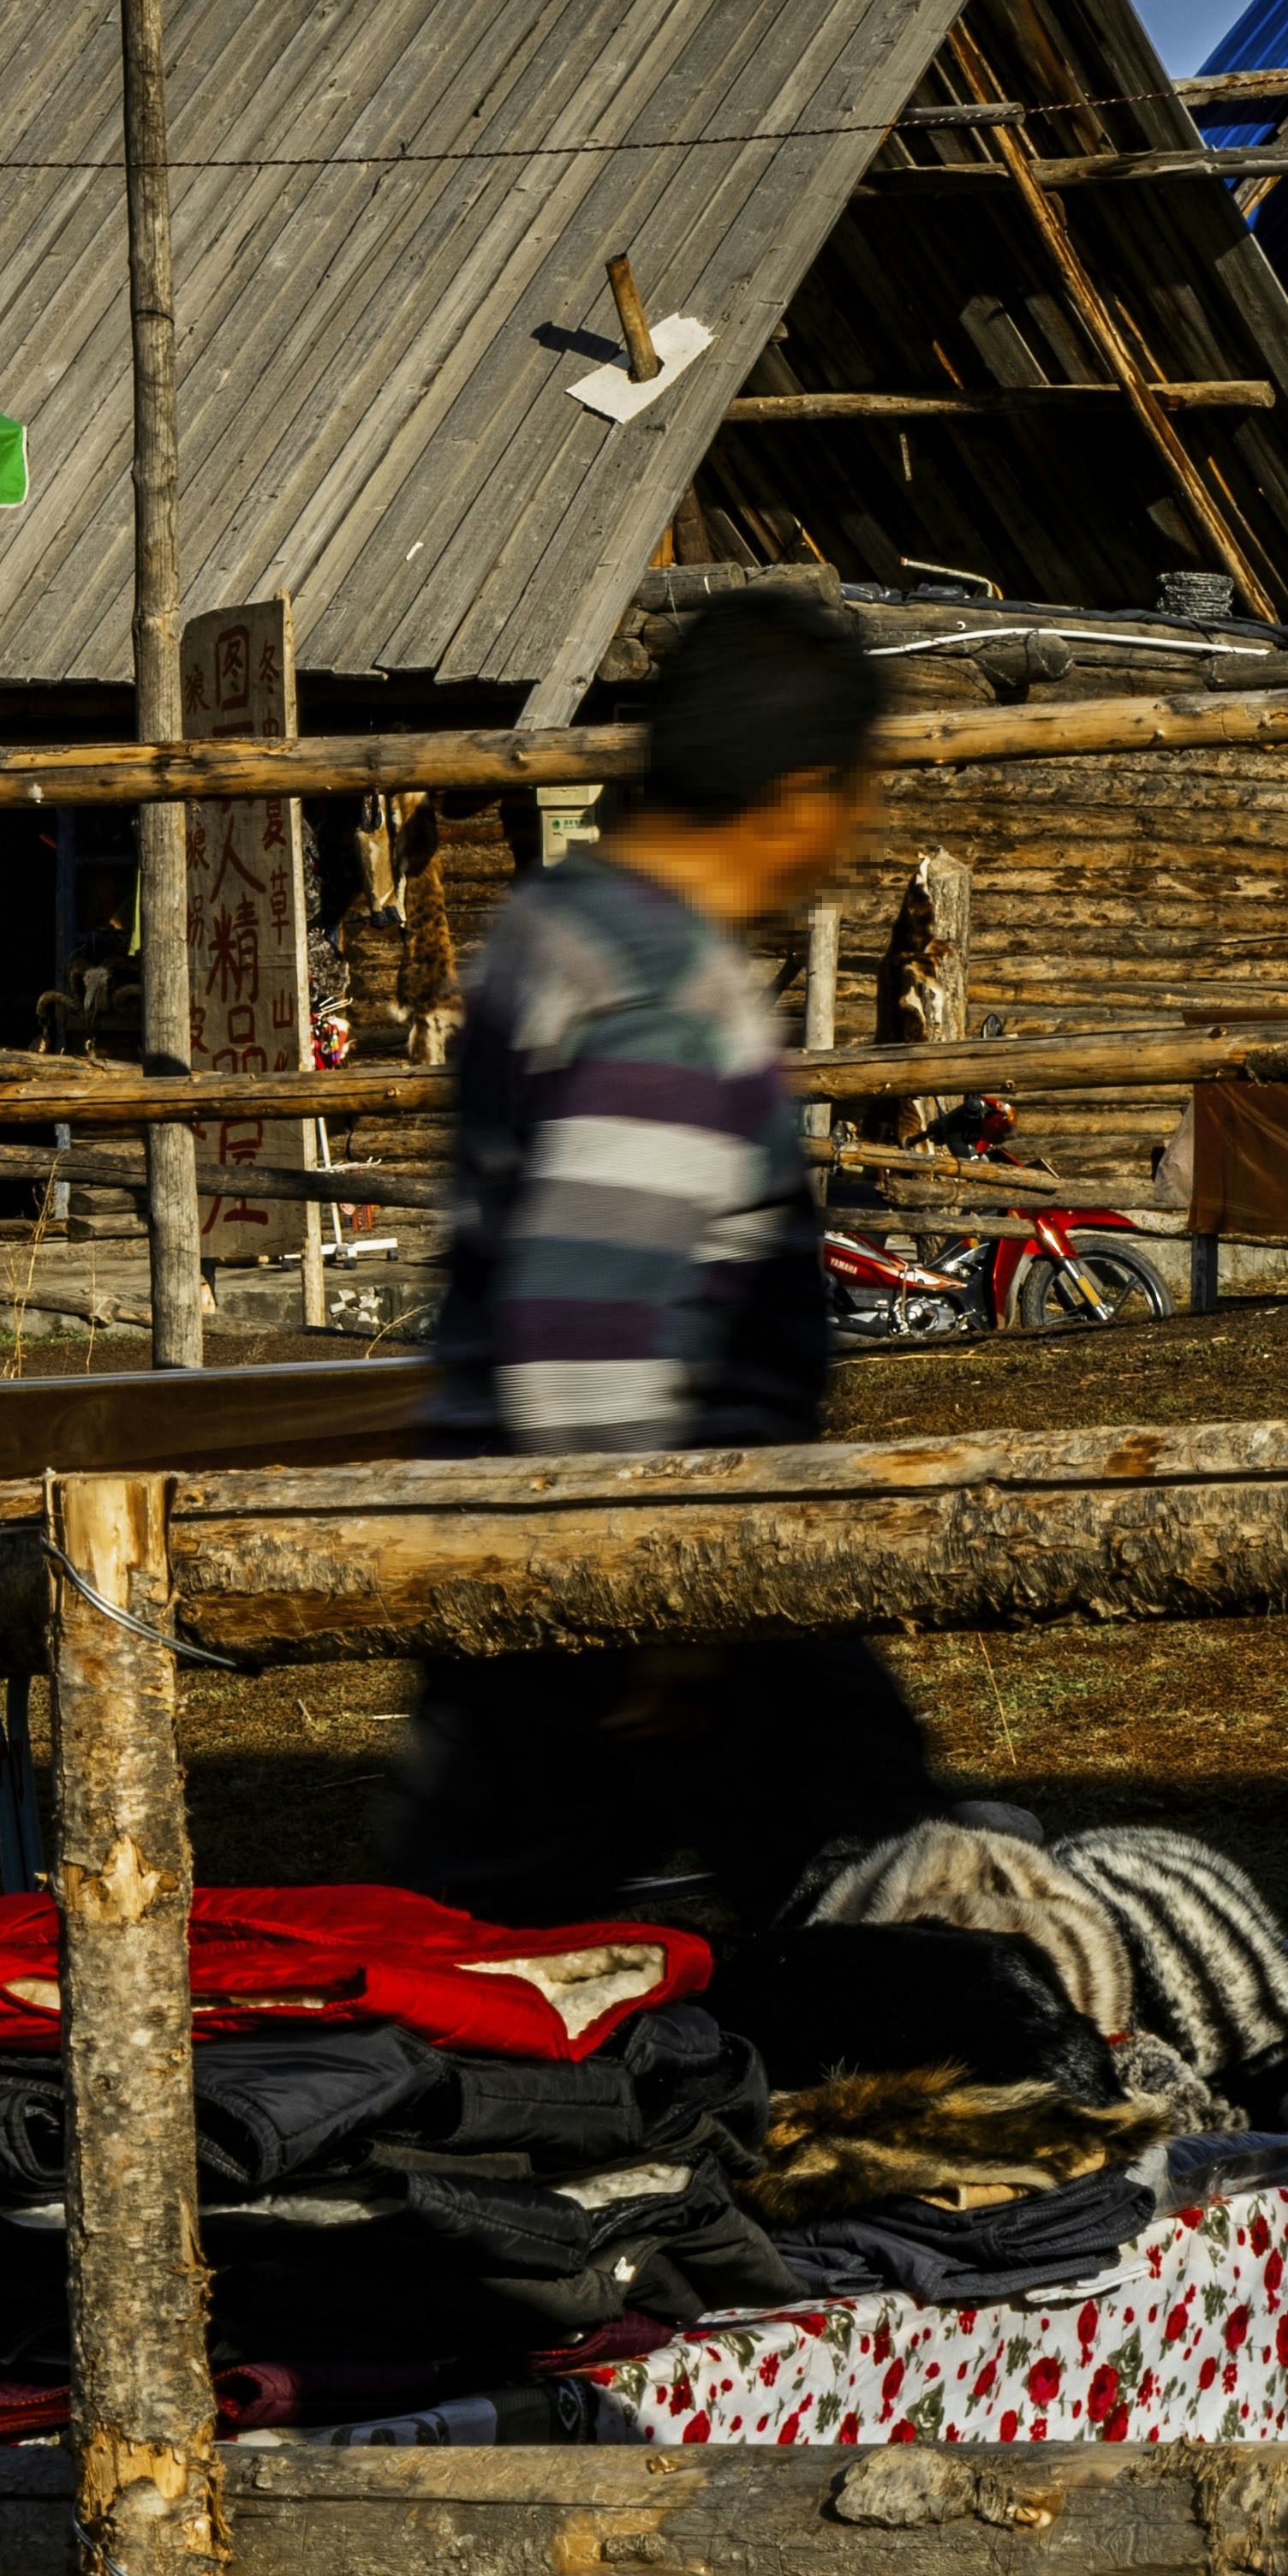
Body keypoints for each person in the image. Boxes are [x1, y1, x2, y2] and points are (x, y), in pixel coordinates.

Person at [369, 585, 948, 1928]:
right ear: (802, 794)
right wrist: (649, 1585)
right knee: (873, 1882)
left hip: (549, 1527)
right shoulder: (668, 1000)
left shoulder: (562, 918)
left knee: (501, 1900)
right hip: (642, 1550)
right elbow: (583, 1316)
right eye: (858, 792)